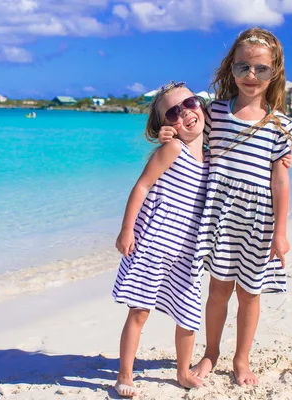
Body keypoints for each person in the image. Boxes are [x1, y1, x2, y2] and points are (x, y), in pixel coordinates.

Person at [159, 27, 292, 387]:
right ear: (230, 69)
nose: (251, 76)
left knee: (249, 293)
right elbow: (188, 140)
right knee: (218, 290)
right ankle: (211, 352)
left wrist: (280, 232)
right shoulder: (215, 112)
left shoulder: (279, 125)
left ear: (274, 72)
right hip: (219, 217)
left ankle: (241, 359)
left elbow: (280, 182)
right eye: (242, 67)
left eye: (261, 69)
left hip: (256, 222)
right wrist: (168, 134)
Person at [111, 81, 209, 397]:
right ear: (167, 124)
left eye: (190, 103)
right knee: (139, 311)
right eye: (174, 112)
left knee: (188, 313)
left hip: (187, 250)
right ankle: (124, 375)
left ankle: (183, 371)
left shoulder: (212, 156)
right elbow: (141, 186)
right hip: (154, 244)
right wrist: (127, 229)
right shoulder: (172, 149)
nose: (186, 113)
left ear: (201, 104)